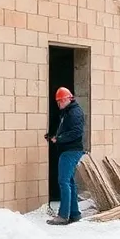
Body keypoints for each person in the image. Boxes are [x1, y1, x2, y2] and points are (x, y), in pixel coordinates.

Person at [46, 87, 86, 225]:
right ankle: (74, 213)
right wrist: (55, 136)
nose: (59, 105)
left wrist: (59, 139)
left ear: (66, 100)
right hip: (70, 150)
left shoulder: (74, 112)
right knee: (70, 182)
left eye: (60, 102)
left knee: (63, 181)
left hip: (70, 151)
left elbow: (76, 132)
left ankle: (63, 215)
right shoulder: (68, 112)